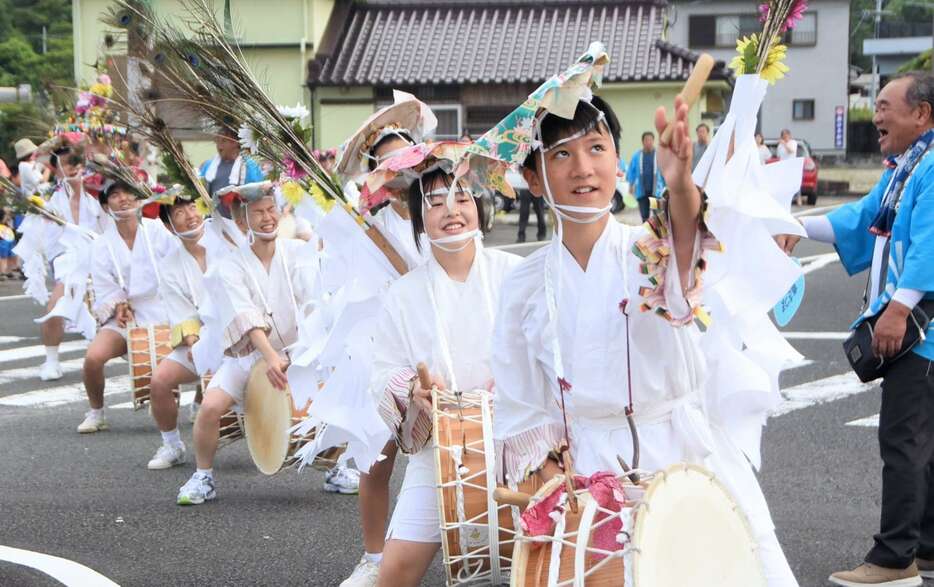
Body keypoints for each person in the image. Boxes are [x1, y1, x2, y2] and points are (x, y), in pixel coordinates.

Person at [490, 44, 797, 586]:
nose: (583, 167)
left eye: (596, 147)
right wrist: (544, 465)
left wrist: (680, 187)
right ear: (534, 179)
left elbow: (681, 263)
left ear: (617, 158)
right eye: (560, 155)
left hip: (681, 456)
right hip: (588, 470)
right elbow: (519, 400)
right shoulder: (521, 285)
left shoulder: (645, 247)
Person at [779, 71, 934, 587]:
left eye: (887, 105)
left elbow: (931, 243)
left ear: (923, 113)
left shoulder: (931, 166)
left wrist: (899, 307)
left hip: (918, 331)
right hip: (920, 331)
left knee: (903, 441)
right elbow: (860, 220)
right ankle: (926, 546)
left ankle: (894, 560)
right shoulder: (905, 170)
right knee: (923, 442)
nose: (878, 115)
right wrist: (797, 226)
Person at [371, 161, 520, 586]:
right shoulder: (402, 295)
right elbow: (382, 371)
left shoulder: (515, 274)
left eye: (462, 198)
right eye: (435, 202)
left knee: (548, 560)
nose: (451, 210)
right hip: (441, 449)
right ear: (421, 220)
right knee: (395, 569)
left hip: (519, 443)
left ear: (479, 208)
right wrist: (412, 390)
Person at [176, 182, 318, 505]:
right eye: (258, 213)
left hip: (298, 352)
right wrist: (269, 357)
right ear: (243, 221)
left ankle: (334, 467)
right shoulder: (228, 266)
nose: (267, 218)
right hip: (250, 356)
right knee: (210, 408)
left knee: (329, 404)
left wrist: (300, 355)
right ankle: (203, 476)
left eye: (272, 210)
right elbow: (245, 315)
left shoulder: (297, 252)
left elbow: (312, 305)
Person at [78, 178, 178, 433]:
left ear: (139, 199)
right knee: (93, 358)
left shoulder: (157, 230)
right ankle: (96, 411)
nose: (123, 199)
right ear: (105, 204)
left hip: (164, 308)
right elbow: (104, 285)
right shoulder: (101, 244)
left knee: (201, 347)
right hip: (126, 312)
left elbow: (179, 267)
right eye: (115, 195)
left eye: (129, 193)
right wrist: (119, 304)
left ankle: (201, 400)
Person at [145, 189, 212, 469]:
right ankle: (172, 444)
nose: (190, 216)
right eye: (179, 213)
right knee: (160, 381)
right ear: (168, 225)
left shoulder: (227, 241)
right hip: (203, 338)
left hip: (245, 335)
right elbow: (182, 315)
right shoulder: (169, 265)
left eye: (192, 208)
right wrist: (198, 347)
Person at [198, 126, 265, 198]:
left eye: (223, 141)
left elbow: (257, 192)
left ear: (235, 142)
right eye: (217, 141)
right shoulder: (208, 165)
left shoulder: (250, 165)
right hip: (213, 209)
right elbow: (200, 190)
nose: (219, 145)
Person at [626, 131, 665, 222]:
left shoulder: (659, 155)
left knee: (658, 216)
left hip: (657, 192)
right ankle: (646, 234)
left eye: (651, 140)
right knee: (644, 216)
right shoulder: (637, 156)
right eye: (646, 140)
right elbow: (631, 171)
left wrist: (667, 187)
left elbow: (665, 172)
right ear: (642, 141)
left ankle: (660, 236)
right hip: (642, 192)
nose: (648, 142)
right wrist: (631, 186)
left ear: (653, 141)